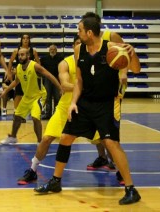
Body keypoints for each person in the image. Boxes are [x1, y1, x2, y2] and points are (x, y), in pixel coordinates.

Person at [34, 16, 141, 205]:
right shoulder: (79, 50)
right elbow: (79, 81)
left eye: (80, 30)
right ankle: (56, 181)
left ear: (89, 33)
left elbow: (136, 70)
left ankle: (131, 189)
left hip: (105, 105)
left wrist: (132, 54)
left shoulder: (111, 48)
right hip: (84, 104)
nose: (78, 33)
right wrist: (73, 102)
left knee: (111, 143)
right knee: (66, 137)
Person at [82, 12, 141, 182]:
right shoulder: (87, 43)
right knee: (97, 130)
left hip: (112, 91)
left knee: (112, 133)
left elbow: (124, 57)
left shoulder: (111, 36)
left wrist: (123, 72)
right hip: (95, 93)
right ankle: (102, 158)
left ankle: (121, 171)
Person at [17, 35, 81, 185]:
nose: (80, 46)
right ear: (73, 46)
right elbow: (64, 85)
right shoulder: (66, 63)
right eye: (77, 43)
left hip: (87, 108)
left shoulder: (94, 62)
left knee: (106, 141)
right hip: (65, 108)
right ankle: (32, 171)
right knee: (46, 139)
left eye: (82, 43)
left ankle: (115, 167)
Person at [0, 48, 62, 145]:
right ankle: (13, 137)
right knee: (17, 116)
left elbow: (49, 75)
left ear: (28, 56)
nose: (20, 57)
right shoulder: (19, 67)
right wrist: (5, 91)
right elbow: (16, 82)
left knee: (35, 117)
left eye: (22, 55)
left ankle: (39, 141)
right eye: (19, 55)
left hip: (39, 96)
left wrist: (60, 88)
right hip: (27, 96)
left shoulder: (35, 66)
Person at [7, 34, 40, 116]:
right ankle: (16, 112)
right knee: (18, 94)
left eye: (27, 38)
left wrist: (36, 72)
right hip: (20, 75)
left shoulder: (33, 51)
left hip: (30, 76)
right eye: (24, 38)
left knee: (31, 95)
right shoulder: (16, 50)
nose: (25, 40)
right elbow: (11, 61)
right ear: (21, 40)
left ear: (29, 40)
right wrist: (9, 72)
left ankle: (32, 112)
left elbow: (38, 63)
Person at [40, 44, 64, 120]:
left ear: (56, 50)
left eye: (54, 49)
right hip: (47, 80)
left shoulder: (61, 58)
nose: (52, 50)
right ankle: (48, 114)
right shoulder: (44, 59)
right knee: (47, 97)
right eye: (51, 49)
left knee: (57, 97)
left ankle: (56, 113)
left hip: (57, 79)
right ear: (49, 50)